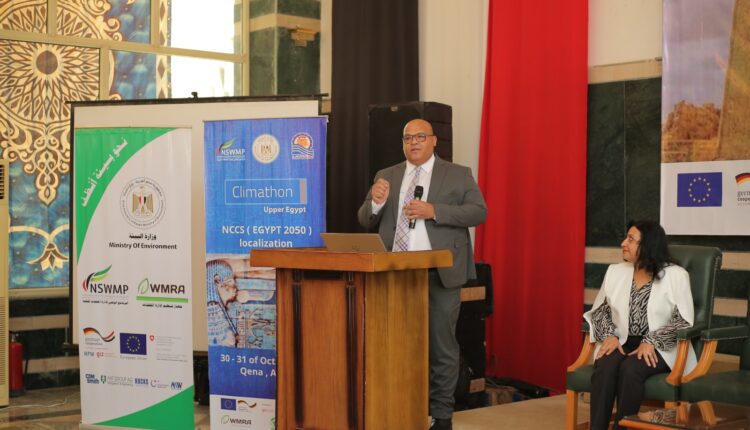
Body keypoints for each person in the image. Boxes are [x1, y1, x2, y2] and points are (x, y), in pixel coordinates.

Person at [358, 119, 487, 430]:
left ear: (434, 141)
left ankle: (441, 416)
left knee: (441, 346)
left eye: (419, 136)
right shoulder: (386, 175)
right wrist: (375, 202)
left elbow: (479, 212)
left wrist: (435, 211)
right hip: (395, 273)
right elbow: (364, 219)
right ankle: (399, 407)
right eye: (407, 138)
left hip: (439, 272)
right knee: (394, 343)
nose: (413, 142)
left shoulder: (458, 174)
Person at [584, 220, 697, 430]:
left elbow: (683, 320)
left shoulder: (676, 275)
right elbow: (601, 311)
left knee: (631, 369)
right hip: (621, 340)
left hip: (660, 347)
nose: (623, 243)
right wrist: (609, 335)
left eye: (630, 239)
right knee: (605, 366)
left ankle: (623, 427)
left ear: (648, 245)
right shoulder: (615, 271)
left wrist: (651, 340)